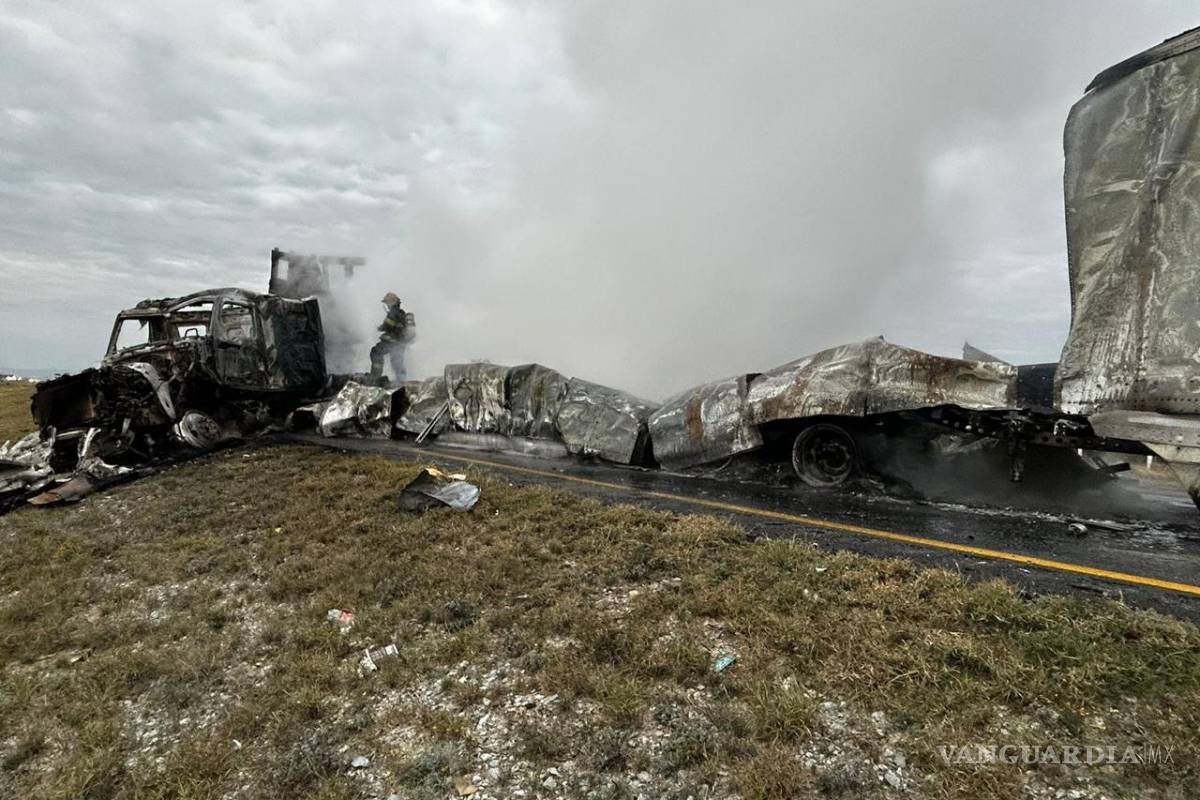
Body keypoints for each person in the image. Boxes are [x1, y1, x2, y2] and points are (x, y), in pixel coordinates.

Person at [369, 292, 410, 380]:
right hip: (399, 342)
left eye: (387, 302)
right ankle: (401, 381)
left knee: (375, 352)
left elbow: (388, 324)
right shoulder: (401, 313)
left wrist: (381, 328)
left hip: (392, 341)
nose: (387, 305)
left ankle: (375, 376)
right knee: (397, 362)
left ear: (391, 302)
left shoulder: (393, 312)